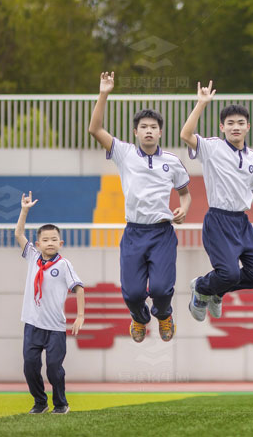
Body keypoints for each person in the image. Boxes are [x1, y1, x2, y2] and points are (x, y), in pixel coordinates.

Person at [88, 72, 191, 342]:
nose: (148, 130)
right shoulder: (125, 153)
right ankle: (139, 318)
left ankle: (164, 314)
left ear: (160, 131)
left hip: (162, 233)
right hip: (134, 232)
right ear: (135, 132)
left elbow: (185, 194)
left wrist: (183, 208)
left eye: (153, 126)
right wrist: (104, 93)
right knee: (132, 293)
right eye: (143, 126)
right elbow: (95, 130)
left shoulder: (172, 161)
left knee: (160, 289)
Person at [180, 81, 253, 323]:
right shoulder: (212, 148)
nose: (235, 127)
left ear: (248, 127)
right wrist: (201, 103)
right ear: (222, 126)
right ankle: (202, 288)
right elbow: (185, 134)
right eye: (230, 123)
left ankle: (215, 291)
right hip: (219, 220)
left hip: (242, 222)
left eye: (240, 123)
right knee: (229, 273)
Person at [15, 192, 84, 414]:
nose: (50, 242)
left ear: (60, 242)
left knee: (54, 369)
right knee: (30, 367)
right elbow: (18, 233)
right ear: (38, 243)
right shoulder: (33, 257)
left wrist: (80, 316)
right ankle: (40, 402)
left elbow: (79, 288)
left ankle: (61, 403)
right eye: (45, 239)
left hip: (55, 327)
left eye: (54, 239)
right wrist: (24, 210)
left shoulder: (64, 265)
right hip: (32, 325)